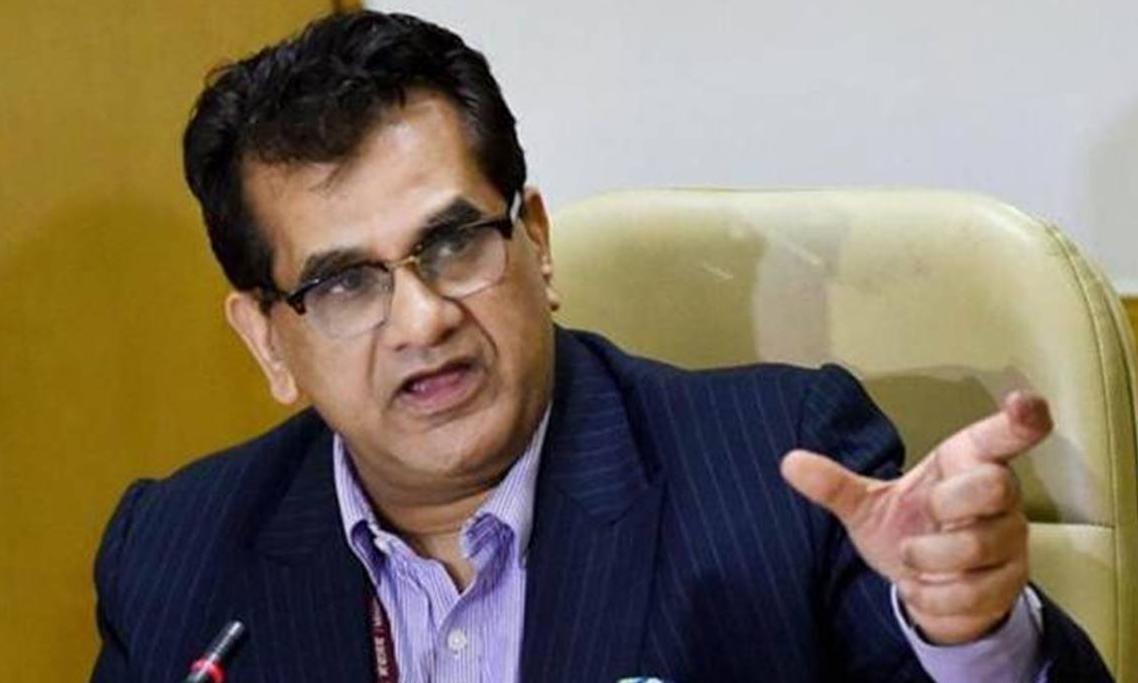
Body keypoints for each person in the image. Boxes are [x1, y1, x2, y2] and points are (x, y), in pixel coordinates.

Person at [89, 9, 1111, 683]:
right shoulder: (173, 555)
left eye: (453, 243)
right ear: (269, 340)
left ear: (535, 242)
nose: (423, 319)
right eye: (346, 282)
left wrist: (971, 630)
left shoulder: (780, 471)